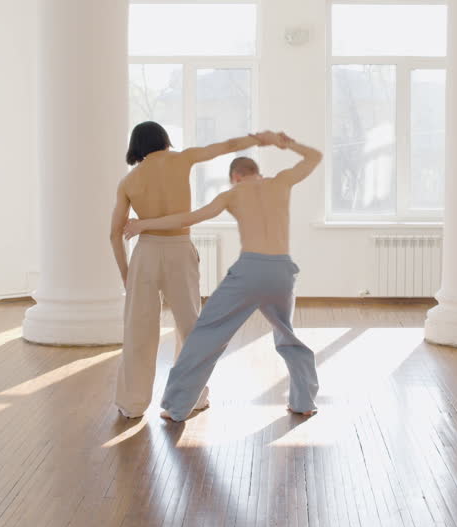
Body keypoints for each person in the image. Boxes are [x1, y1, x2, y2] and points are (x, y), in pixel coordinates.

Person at [123, 132, 323, 422]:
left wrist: (144, 224)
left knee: (206, 334)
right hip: (282, 271)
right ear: (258, 173)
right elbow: (314, 156)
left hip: (250, 271)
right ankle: (304, 401)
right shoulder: (281, 182)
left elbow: (186, 219)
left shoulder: (232, 193)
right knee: (286, 336)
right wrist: (287, 143)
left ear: (236, 177)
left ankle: (177, 407)